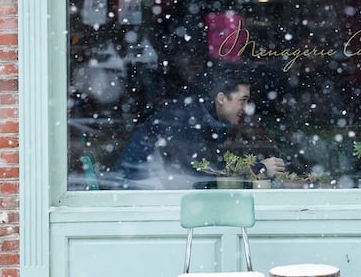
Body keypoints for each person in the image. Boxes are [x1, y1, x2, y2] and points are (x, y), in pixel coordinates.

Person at [116, 65, 286, 189]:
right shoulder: (184, 120)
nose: (246, 107)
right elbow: (201, 176)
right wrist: (260, 169)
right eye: (243, 100)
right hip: (139, 196)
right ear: (221, 99)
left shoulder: (204, 118)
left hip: (160, 192)